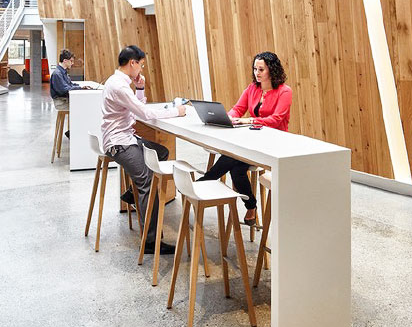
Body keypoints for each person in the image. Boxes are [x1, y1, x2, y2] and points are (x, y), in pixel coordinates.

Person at [101, 45, 187, 254]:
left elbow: (135, 111)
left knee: (160, 152)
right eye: (141, 64)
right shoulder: (119, 87)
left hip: (126, 138)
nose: (141, 69)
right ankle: (150, 241)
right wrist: (177, 111)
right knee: (147, 182)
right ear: (132, 63)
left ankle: (133, 194)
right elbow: (145, 114)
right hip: (119, 144)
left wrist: (140, 89)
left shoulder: (119, 82)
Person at [199, 52, 292, 225]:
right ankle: (251, 206)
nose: (257, 73)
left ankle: (203, 182)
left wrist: (249, 120)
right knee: (236, 169)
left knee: (231, 158)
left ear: (272, 70)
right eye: (255, 69)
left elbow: (276, 120)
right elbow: (238, 109)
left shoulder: (284, 91)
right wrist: (228, 117)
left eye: (261, 69)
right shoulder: (252, 88)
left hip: (274, 142)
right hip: (253, 139)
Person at [50, 50, 90, 141]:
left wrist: (80, 87)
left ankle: (74, 131)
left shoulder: (62, 72)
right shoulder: (57, 74)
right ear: (65, 61)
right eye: (71, 61)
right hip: (61, 102)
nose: (72, 63)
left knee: (84, 106)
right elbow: (64, 89)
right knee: (84, 108)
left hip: (64, 100)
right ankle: (75, 132)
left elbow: (69, 85)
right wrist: (79, 88)